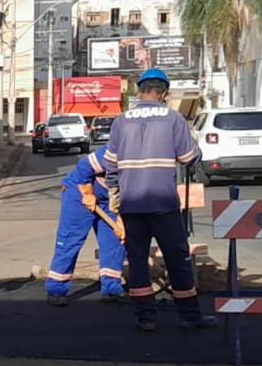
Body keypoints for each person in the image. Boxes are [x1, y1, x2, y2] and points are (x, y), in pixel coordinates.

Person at [104, 68, 217, 332]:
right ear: (164, 93)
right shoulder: (173, 119)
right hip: (163, 205)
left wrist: (115, 195)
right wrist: (195, 147)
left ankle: (146, 318)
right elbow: (189, 159)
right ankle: (189, 316)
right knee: (177, 260)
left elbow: (111, 165)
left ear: (139, 91)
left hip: (132, 204)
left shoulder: (121, 121)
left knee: (137, 260)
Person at [46, 145, 128, 306]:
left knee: (115, 240)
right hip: (79, 192)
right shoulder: (117, 150)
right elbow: (84, 167)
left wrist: (122, 219)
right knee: (70, 239)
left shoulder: (146, 167)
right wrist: (88, 194)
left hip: (109, 199)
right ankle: (56, 288)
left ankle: (111, 287)